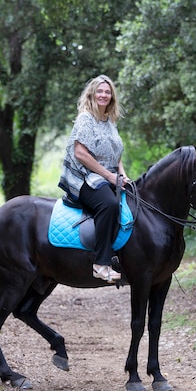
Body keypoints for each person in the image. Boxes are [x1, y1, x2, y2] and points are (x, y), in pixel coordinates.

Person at [59, 74, 131, 283]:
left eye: (107, 92)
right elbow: (80, 153)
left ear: (112, 97)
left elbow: (116, 155)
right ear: (92, 93)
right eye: (100, 91)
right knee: (109, 205)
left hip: (107, 176)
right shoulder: (85, 119)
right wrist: (110, 176)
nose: (103, 95)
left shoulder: (109, 122)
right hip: (83, 176)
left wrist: (122, 175)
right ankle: (100, 264)